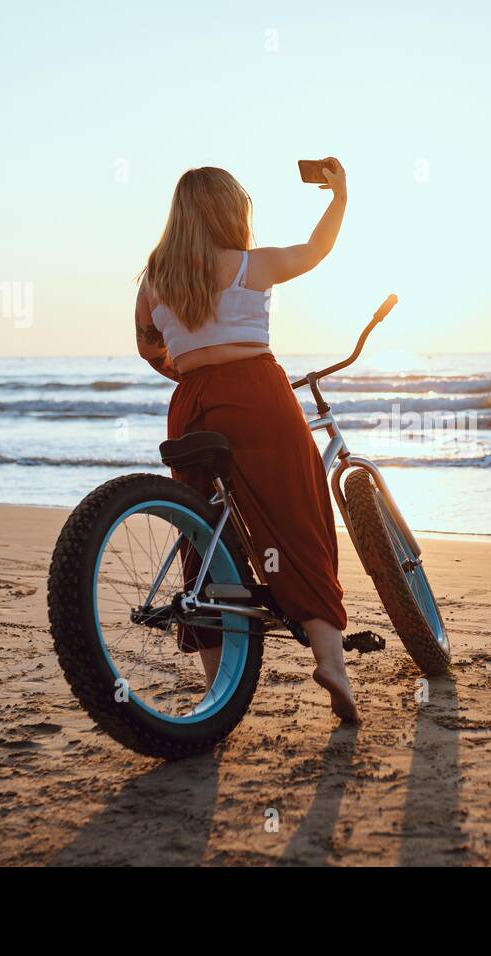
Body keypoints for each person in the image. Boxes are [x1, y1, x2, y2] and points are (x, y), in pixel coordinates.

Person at [134, 159, 358, 723]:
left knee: (203, 532)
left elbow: (148, 346)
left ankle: (219, 687)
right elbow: (317, 249)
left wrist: (191, 370)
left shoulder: (155, 278)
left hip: (190, 406)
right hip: (257, 395)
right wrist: (338, 199)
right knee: (298, 515)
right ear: (230, 211)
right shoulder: (251, 266)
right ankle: (330, 661)